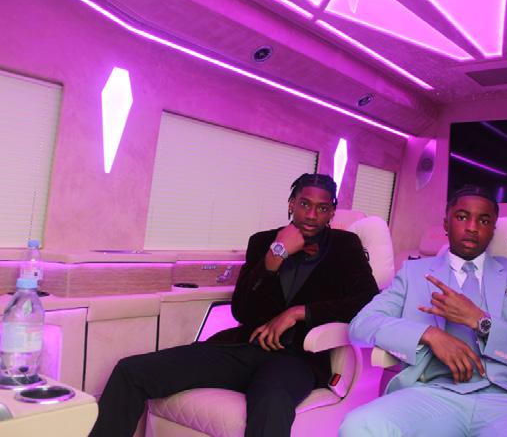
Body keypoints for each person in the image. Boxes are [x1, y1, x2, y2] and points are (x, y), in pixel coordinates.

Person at [89, 173, 379, 437]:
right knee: (131, 371)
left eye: (322, 208)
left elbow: (369, 300)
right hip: (243, 348)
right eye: (305, 204)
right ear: (291, 204)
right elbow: (242, 310)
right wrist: (275, 256)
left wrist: (298, 313)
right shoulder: (263, 242)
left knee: (272, 402)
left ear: (332, 212)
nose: (312, 215)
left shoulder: (345, 246)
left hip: (297, 358)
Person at [340, 185, 507, 436]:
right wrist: (429, 335)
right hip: (432, 394)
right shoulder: (413, 273)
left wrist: (481, 321)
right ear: (446, 223)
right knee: (359, 426)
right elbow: (361, 325)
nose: (472, 227)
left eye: (484, 220)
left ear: (492, 229)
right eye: (462, 217)